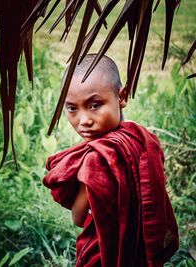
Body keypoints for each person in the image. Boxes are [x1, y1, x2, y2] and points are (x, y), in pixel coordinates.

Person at [43, 54, 179, 267]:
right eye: (72, 108)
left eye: (95, 105)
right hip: (142, 251)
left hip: (106, 257)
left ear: (122, 96)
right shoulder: (143, 139)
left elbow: (79, 218)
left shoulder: (96, 160)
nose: (84, 120)